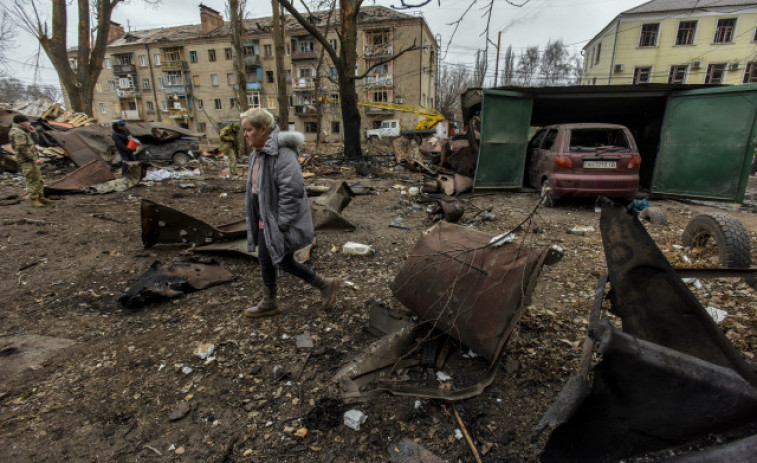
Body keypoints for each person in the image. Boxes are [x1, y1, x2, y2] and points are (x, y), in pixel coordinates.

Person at [241, 108, 338, 318]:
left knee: (279, 259)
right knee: (268, 258)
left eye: (248, 130)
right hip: (265, 218)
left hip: (276, 220)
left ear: (263, 129)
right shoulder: (257, 154)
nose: (245, 134)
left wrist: (282, 223)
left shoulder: (282, 153)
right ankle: (271, 300)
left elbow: (292, 189)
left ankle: (323, 284)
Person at [9, 115, 54, 208]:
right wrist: (33, 159)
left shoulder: (24, 131)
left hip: (31, 159)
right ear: (21, 122)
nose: (29, 123)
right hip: (27, 160)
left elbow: (34, 142)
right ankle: (33, 199)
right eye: (27, 121)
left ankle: (40, 197)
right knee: (32, 179)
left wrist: (33, 133)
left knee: (39, 179)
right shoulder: (18, 133)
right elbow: (21, 148)